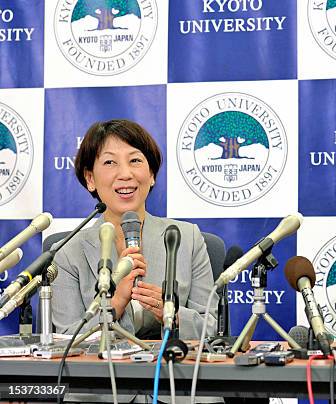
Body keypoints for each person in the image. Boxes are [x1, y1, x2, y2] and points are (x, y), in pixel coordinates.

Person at [51, 119, 218, 341]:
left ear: (151, 175)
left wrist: (172, 314)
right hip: (96, 372)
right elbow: (66, 337)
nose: (125, 174)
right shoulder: (67, 252)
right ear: (90, 179)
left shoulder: (186, 238)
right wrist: (116, 304)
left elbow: (211, 328)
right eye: (110, 163)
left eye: (135, 160)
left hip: (171, 370)